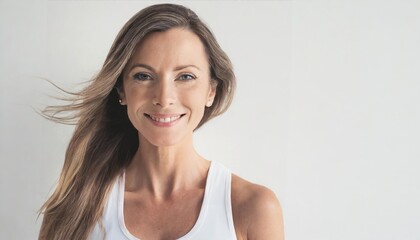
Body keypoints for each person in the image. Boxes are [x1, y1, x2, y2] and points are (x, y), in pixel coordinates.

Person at [39, 3, 284, 240]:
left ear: (211, 91)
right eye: (143, 76)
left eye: (185, 76)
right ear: (121, 91)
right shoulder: (75, 209)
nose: (164, 98)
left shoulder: (252, 208)